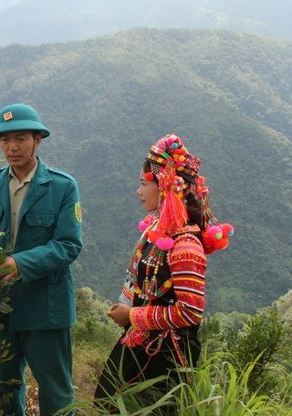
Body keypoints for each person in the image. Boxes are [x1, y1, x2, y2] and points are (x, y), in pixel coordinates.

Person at [94, 133, 233, 412]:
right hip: (142, 344)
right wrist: (127, 307)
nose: (139, 191)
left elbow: (190, 312)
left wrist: (132, 315)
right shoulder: (158, 233)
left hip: (166, 358)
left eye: (143, 184)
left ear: (166, 186)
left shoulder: (185, 245)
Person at [0, 103, 83, 415]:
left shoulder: (62, 186)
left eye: (21, 138)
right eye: (5, 140)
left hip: (45, 307)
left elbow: (68, 244)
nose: (12, 147)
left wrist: (20, 264)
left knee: (55, 389)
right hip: (0, 306)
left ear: (38, 139)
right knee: (8, 386)